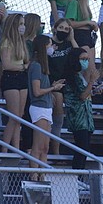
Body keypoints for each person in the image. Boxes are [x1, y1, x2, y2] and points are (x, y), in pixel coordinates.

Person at [28, 34, 64, 171]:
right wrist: (53, 88)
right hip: (39, 107)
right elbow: (37, 91)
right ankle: (34, 176)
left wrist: (52, 86)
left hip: (46, 107)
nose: (52, 47)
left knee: (45, 147)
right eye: (49, 45)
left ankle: (42, 175)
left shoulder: (43, 67)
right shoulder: (36, 66)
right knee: (38, 146)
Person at [0, 13, 29, 151]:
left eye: (24, 24)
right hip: (10, 78)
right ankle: (4, 148)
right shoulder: (6, 41)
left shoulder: (21, 42)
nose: (23, 27)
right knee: (14, 116)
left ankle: (16, 147)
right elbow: (6, 64)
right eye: (20, 24)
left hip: (22, 78)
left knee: (20, 116)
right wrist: (23, 67)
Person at [62, 47, 93, 170]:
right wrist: (91, 82)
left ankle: (80, 176)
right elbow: (82, 95)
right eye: (83, 59)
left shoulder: (80, 75)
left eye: (87, 59)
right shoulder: (72, 76)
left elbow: (87, 94)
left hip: (86, 118)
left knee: (85, 149)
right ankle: (77, 177)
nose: (86, 61)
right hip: (78, 118)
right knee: (82, 148)